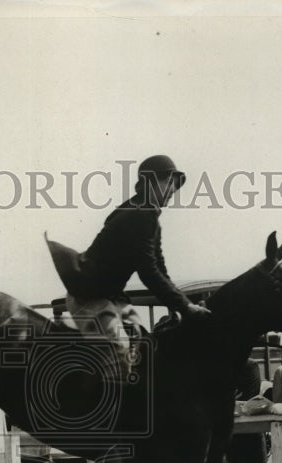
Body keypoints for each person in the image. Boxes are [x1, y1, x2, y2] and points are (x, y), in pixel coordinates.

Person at [46, 154, 210, 381]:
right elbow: (149, 273)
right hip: (88, 297)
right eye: (168, 182)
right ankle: (106, 414)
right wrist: (185, 306)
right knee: (119, 353)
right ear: (151, 183)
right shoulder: (140, 215)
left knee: (144, 342)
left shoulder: (149, 216)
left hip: (111, 297)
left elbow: (160, 268)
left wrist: (182, 305)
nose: (173, 189)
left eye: (175, 184)